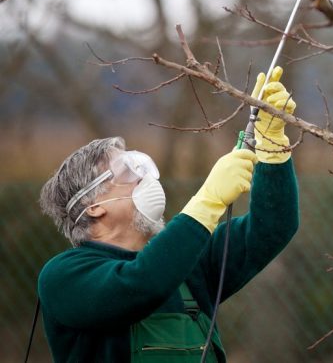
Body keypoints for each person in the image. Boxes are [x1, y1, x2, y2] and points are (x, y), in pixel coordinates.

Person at [38, 67, 298, 362]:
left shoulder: (191, 264)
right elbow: (139, 285)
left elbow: (272, 227)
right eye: (127, 172)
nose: (145, 178)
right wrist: (208, 200)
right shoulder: (64, 276)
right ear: (93, 206)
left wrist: (272, 145)